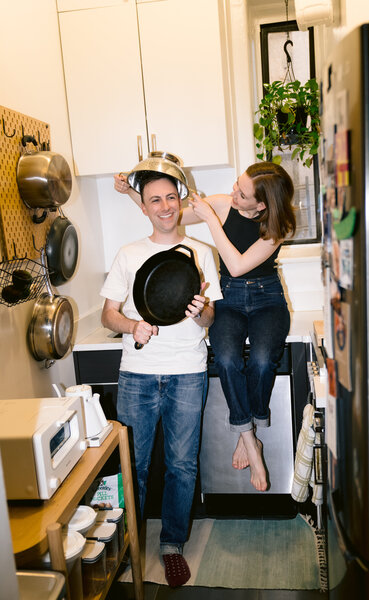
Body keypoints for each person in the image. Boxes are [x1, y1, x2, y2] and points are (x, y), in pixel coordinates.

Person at [114, 161, 296, 494]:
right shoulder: (226, 203)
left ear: (262, 205)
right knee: (226, 359)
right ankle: (248, 436)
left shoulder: (279, 225)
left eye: (241, 194)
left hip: (267, 298)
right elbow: (169, 213)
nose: (232, 194)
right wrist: (132, 193)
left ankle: (247, 431)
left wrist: (213, 220)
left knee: (261, 360)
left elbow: (238, 265)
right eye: (236, 185)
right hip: (229, 299)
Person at [102, 169, 222, 588]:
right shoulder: (128, 253)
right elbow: (108, 314)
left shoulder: (201, 252)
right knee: (131, 464)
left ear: (180, 200)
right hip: (137, 375)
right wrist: (131, 325)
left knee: (181, 465)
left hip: (188, 371)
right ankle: (126, 542)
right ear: (145, 206)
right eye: (155, 200)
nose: (166, 207)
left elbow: (210, 316)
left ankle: (172, 545)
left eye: (171, 197)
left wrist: (200, 310)